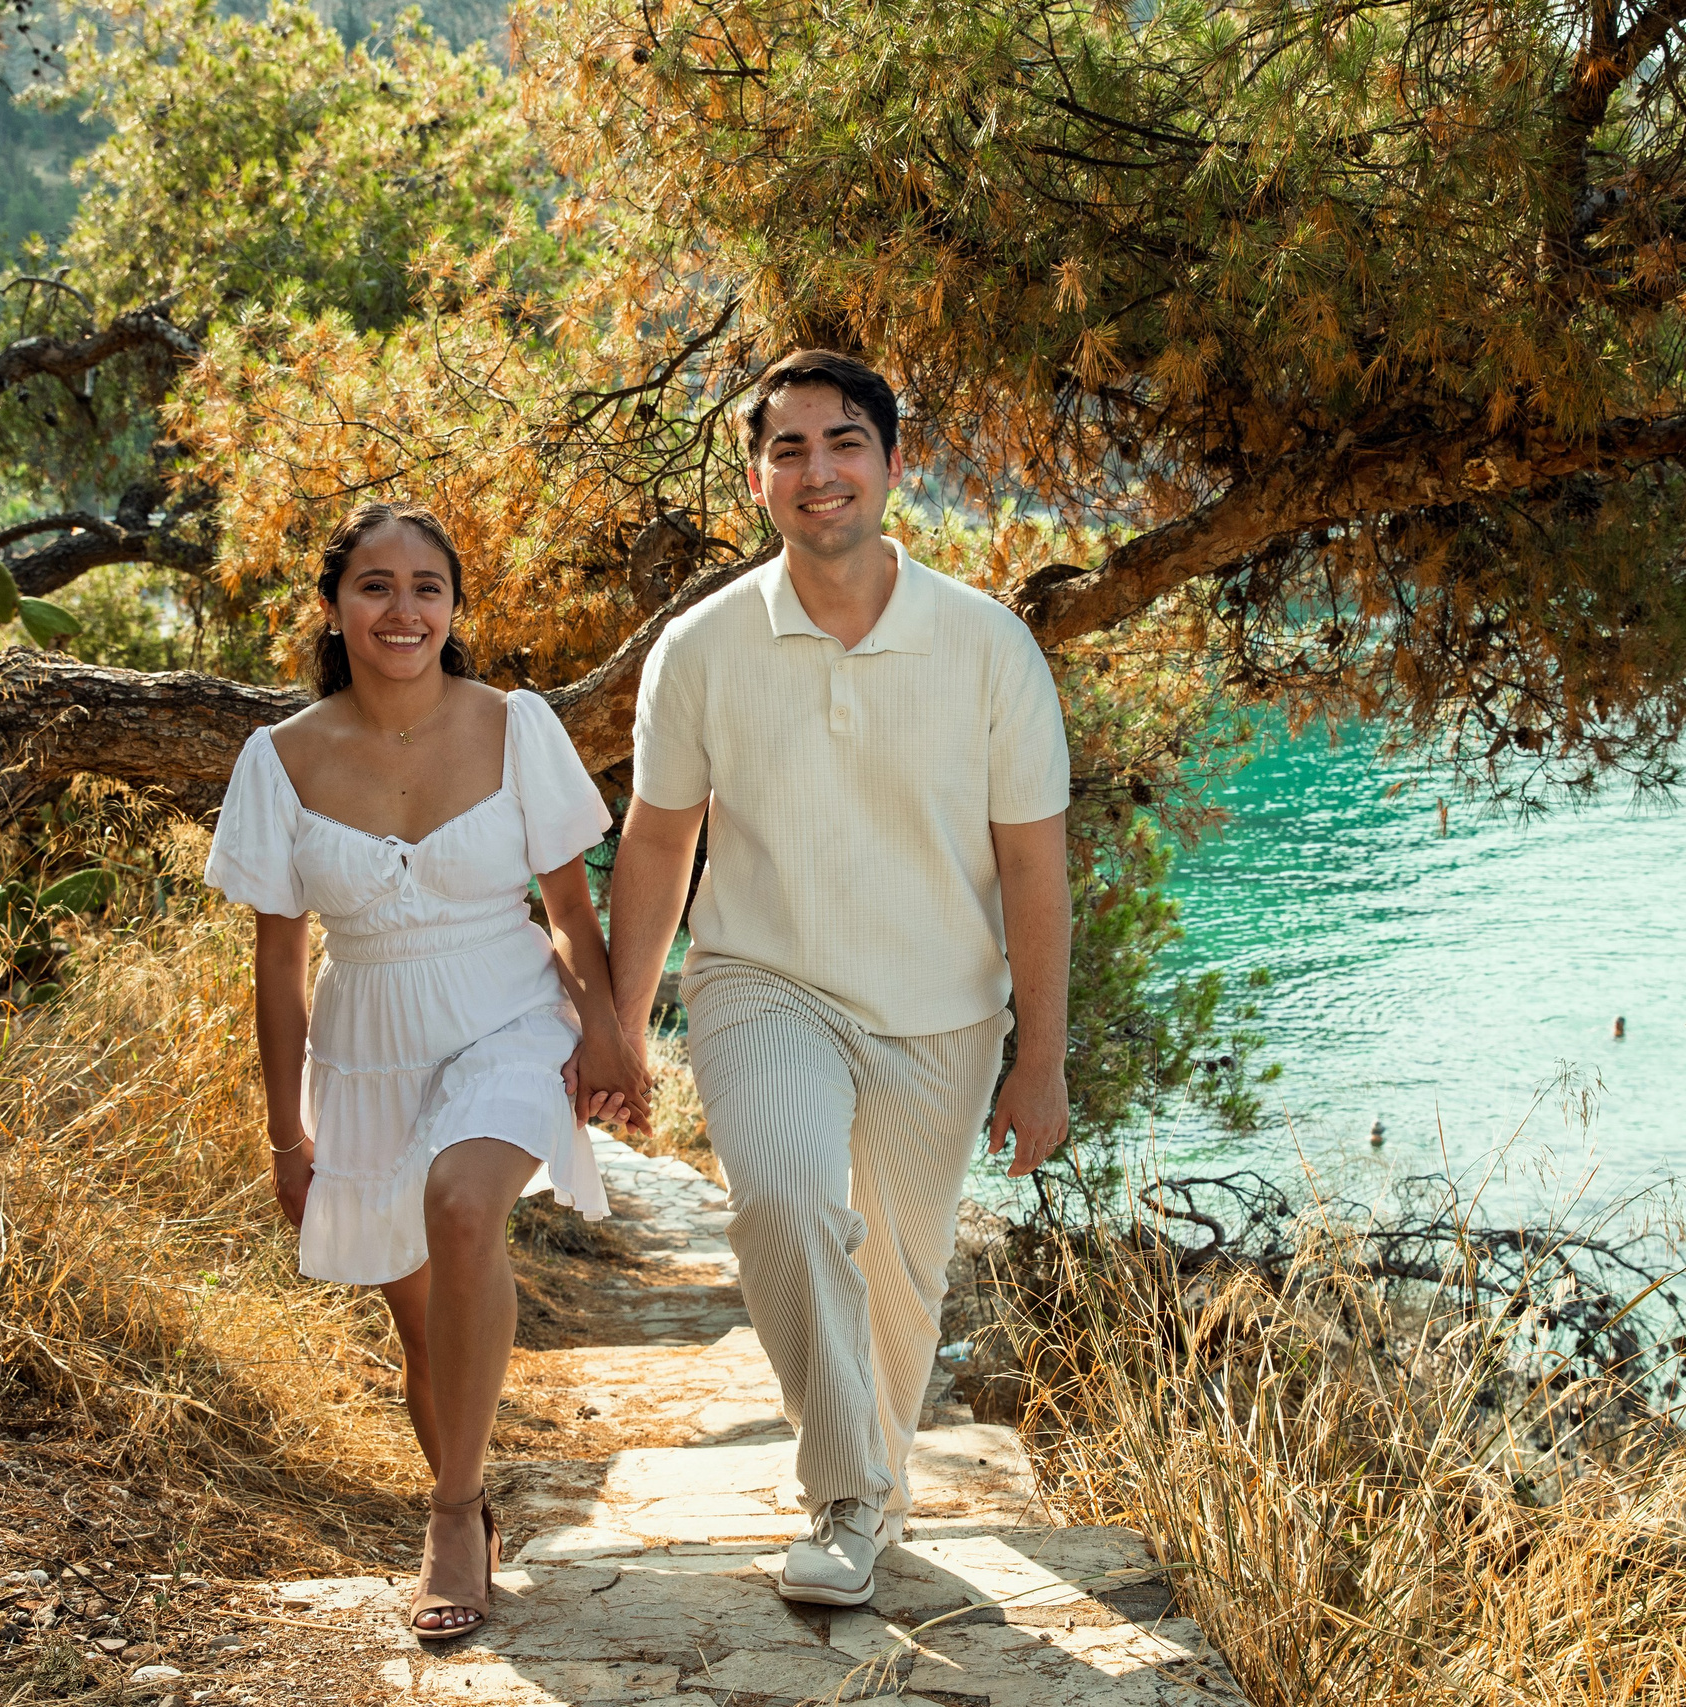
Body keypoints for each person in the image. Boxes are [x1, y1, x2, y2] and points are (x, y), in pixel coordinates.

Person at [606, 350, 1074, 1609]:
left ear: (892, 464)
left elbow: (1032, 867)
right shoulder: (700, 648)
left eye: (844, 442)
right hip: (764, 982)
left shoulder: (986, 645)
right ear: (758, 481)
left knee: (903, 1290)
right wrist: (622, 1029)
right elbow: (658, 841)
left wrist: (1039, 1058)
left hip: (942, 1011)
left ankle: (871, 1486)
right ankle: (847, 1497)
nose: (818, 471)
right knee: (782, 1201)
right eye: (790, 449)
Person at [203, 500, 646, 1641]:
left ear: (453, 608)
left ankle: (447, 1519)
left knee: (461, 1206)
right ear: (333, 606)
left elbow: (568, 906)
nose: (403, 610)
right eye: (376, 585)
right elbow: (279, 964)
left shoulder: (516, 724)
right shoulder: (279, 760)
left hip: (507, 1016)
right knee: (422, 1331)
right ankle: (473, 1497)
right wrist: (285, 1138)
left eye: (427, 588)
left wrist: (606, 1033)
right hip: (367, 1048)